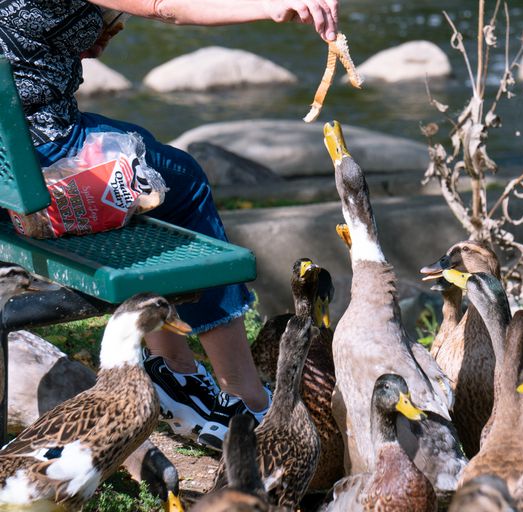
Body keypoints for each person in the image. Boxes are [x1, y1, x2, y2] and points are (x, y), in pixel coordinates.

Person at [0, 0, 339, 450]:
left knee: (151, 172)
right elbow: (168, 6)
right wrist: (270, 5)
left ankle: (175, 371)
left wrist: (73, 37)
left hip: (10, 165)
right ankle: (242, 392)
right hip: (46, 159)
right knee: (182, 184)